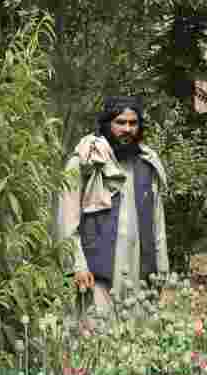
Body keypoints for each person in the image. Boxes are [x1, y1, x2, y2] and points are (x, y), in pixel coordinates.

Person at [57, 95, 171, 315]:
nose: (127, 129)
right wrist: (77, 265)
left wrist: (162, 268)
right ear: (107, 124)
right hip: (97, 267)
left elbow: (158, 223)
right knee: (95, 335)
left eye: (133, 123)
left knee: (136, 334)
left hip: (139, 268)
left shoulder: (147, 165)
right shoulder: (84, 162)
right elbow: (67, 219)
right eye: (120, 122)